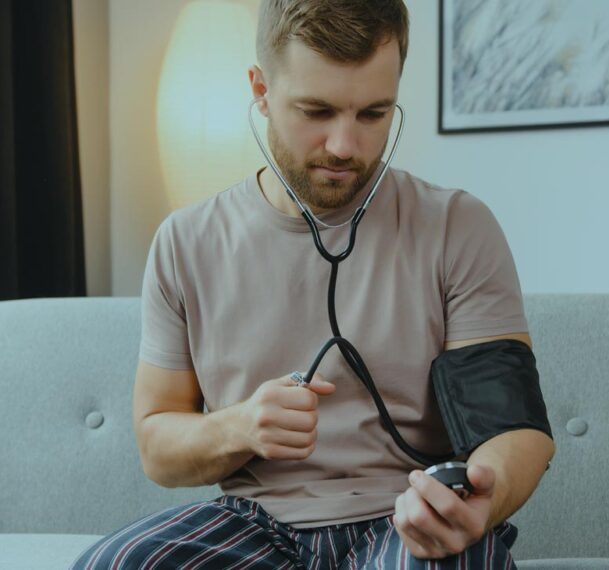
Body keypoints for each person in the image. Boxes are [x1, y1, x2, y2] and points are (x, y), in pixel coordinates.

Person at [73, 1, 554, 568]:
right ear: (260, 89)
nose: (345, 146)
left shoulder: (457, 227)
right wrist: (243, 426)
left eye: (373, 114)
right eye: (316, 111)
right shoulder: (186, 242)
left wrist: (481, 499)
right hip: (256, 522)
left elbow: (516, 430)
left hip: (405, 515)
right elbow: (157, 446)